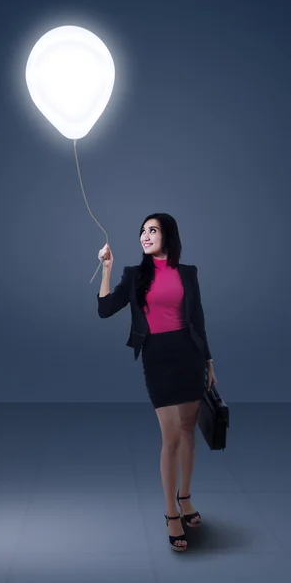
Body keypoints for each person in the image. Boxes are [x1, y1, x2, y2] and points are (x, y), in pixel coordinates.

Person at [97, 213, 217, 552]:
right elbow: (105, 309)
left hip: (189, 355)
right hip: (157, 357)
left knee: (188, 433)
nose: (145, 236)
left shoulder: (188, 273)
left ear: (169, 235)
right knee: (171, 437)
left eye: (153, 230)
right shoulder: (135, 275)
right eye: (143, 231)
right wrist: (106, 268)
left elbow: (198, 319)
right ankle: (170, 512)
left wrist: (209, 361)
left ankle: (186, 497)